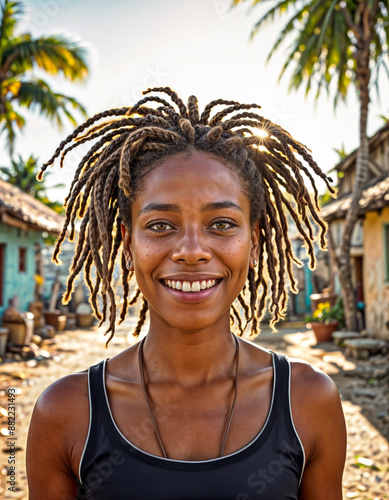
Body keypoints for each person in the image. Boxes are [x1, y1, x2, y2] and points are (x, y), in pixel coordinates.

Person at [26, 87, 347, 499]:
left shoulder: (308, 401)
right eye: (160, 225)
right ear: (128, 244)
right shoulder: (66, 412)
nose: (192, 251)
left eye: (222, 224)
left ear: (255, 241)